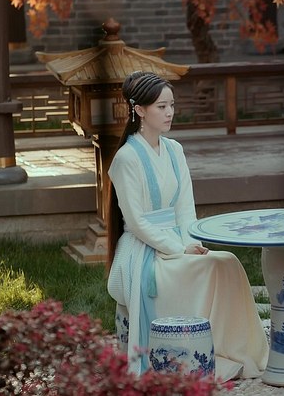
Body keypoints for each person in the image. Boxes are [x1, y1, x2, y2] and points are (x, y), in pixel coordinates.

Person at [106, 71, 268, 382]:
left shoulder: (174, 150)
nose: (169, 112)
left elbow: (185, 209)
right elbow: (137, 223)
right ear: (139, 110)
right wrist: (178, 250)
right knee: (214, 267)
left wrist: (192, 244)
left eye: (172, 105)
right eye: (161, 107)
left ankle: (231, 351)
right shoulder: (126, 158)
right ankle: (193, 357)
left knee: (227, 262)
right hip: (145, 252)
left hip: (178, 240)